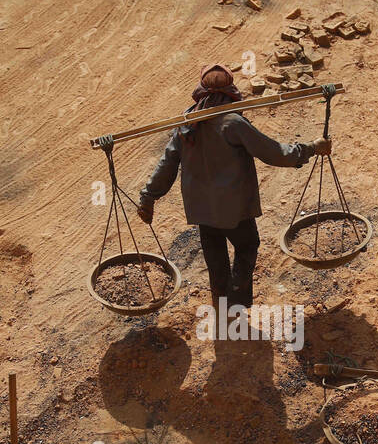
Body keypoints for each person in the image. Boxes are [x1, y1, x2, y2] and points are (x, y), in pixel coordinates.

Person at [137, 63, 330, 309]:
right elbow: (274, 153)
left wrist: (148, 196)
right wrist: (311, 148)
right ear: (231, 89)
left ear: (201, 90)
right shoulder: (233, 123)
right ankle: (238, 292)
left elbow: (166, 165)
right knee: (247, 245)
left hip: (203, 211)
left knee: (215, 258)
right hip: (235, 209)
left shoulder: (187, 125)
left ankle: (222, 304)